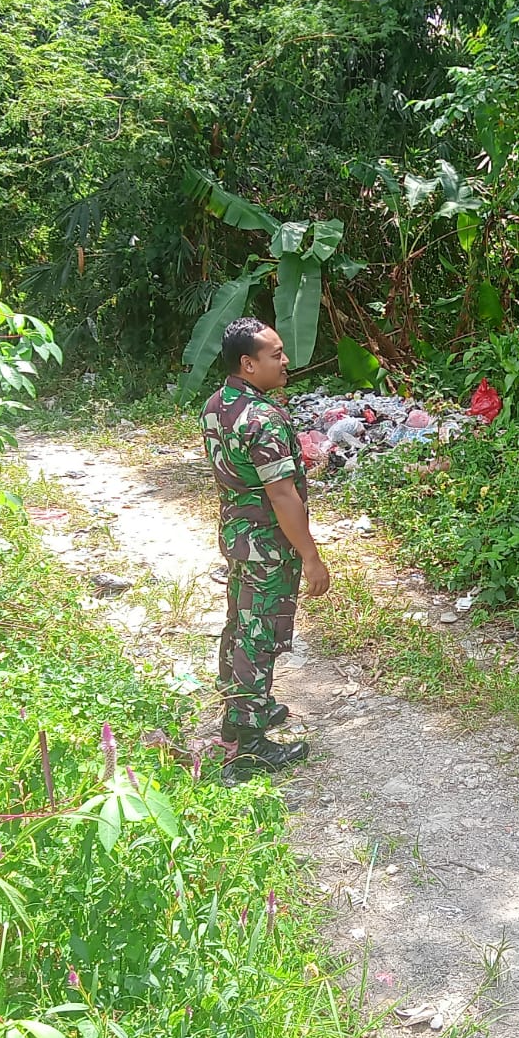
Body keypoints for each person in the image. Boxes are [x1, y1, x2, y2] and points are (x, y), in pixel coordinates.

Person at [201, 317, 331, 782]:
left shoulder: (218, 405)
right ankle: (247, 744)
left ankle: (242, 706)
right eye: (275, 354)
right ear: (248, 364)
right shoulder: (262, 418)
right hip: (267, 547)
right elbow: (282, 495)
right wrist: (312, 557)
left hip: (238, 538)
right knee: (259, 635)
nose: (285, 360)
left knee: (240, 622)